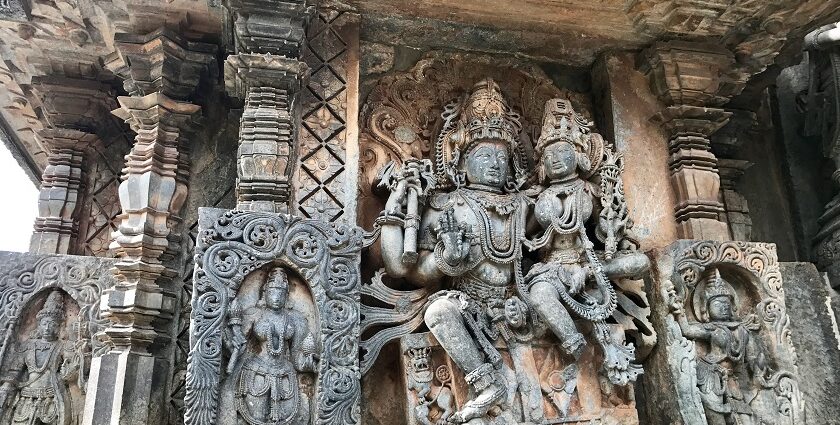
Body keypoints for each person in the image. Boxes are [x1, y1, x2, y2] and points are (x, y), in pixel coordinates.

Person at [379, 78, 531, 422]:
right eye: (483, 155)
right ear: (460, 163)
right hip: (469, 307)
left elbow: (552, 243)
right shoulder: (446, 206)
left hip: (517, 301)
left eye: (500, 155)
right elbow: (403, 269)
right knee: (438, 311)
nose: (494, 163)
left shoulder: (523, 204)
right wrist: (445, 261)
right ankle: (485, 382)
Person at [524, 98, 649, 386]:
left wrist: (610, 223)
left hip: (588, 262)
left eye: (563, 151)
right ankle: (574, 343)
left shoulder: (590, 192)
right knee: (540, 294)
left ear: (579, 157)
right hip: (552, 267)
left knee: (639, 261)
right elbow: (524, 238)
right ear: (541, 163)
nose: (556, 158)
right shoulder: (537, 197)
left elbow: (611, 238)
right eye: (549, 154)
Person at [226, 267, 317, 425]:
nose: (277, 296)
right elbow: (239, 346)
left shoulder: (296, 320)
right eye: (273, 291)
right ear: (264, 292)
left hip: (285, 374)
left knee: (291, 418)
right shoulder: (254, 314)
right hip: (256, 373)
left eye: (281, 292)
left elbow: (296, 357)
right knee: (255, 418)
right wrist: (231, 342)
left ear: (286, 295)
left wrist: (307, 363)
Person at [0, 290, 79, 425]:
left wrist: (80, 346)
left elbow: (73, 367)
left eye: (52, 324)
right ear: (39, 325)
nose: (48, 328)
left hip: (52, 396)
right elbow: (14, 372)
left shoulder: (63, 346)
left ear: (60, 326)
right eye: (44, 324)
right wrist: (5, 389)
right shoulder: (28, 346)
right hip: (26, 396)